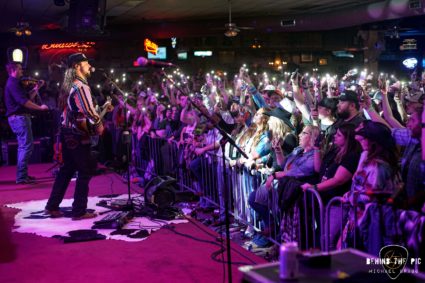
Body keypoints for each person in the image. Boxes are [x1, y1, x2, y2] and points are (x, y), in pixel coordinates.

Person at [45, 53, 112, 220]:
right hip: (77, 135)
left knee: (67, 170)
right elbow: (89, 112)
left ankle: (52, 206)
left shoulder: (70, 85)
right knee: (85, 170)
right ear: (77, 66)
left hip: (69, 133)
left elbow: (80, 111)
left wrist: (101, 109)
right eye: (86, 63)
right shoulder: (81, 86)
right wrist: (99, 126)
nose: (89, 66)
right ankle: (79, 210)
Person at [4, 62, 49, 184]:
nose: (22, 71)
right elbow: (24, 102)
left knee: (23, 147)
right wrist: (40, 108)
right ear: (13, 70)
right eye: (20, 69)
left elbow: (27, 98)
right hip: (19, 118)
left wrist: (36, 88)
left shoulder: (14, 83)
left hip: (18, 118)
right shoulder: (13, 83)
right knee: (26, 146)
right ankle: (21, 177)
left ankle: (22, 176)